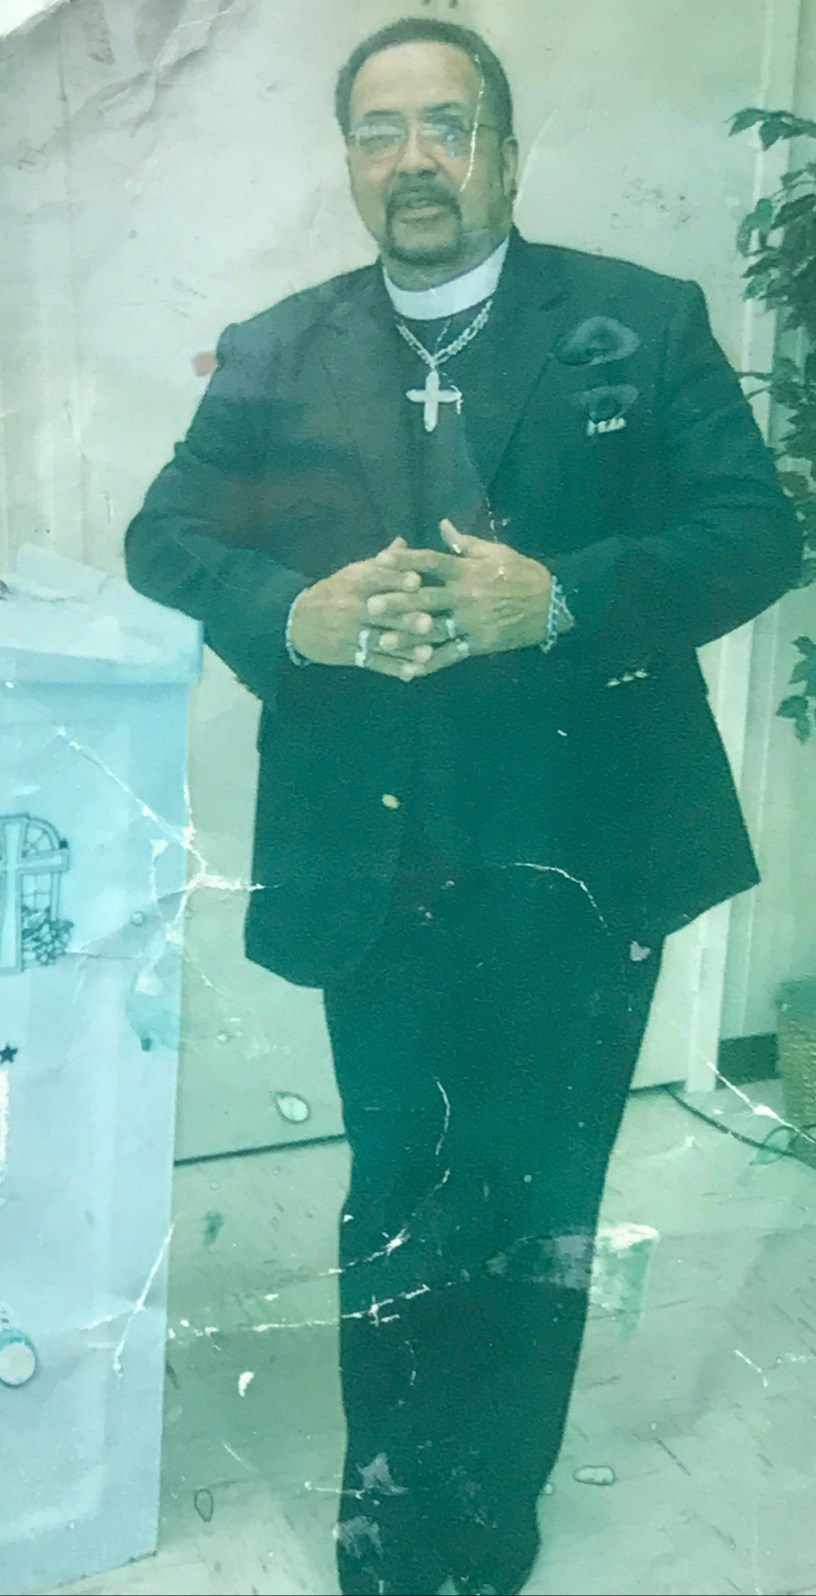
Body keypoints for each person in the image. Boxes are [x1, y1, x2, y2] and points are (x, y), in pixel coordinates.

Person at [124, 16, 802, 1595]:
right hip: (377, 851)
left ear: (503, 150)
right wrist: (293, 613)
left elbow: (757, 533)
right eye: (381, 130)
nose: (414, 159)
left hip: (584, 849)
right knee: (396, 1185)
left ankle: (488, 1527)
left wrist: (556, 597)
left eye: (447, 125)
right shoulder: (277, 345)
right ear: (350, 160)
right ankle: (387, 1523)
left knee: (539, 1195)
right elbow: (167, 536)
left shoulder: (639, 320)